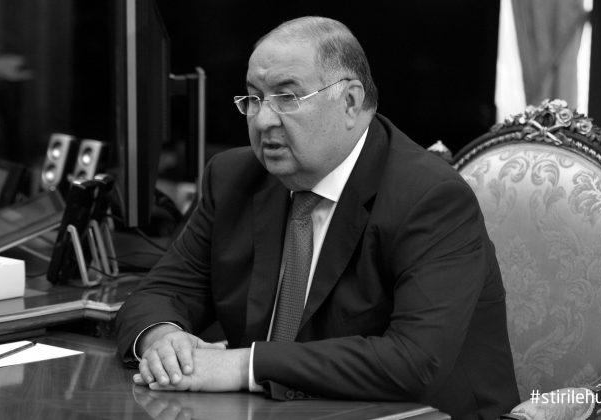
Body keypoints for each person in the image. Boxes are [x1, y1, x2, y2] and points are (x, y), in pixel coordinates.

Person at [115, 16, 519, 419]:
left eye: (287, 98)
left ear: (350, 102)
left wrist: (244, 366)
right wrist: (163, 340)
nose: (263, 120)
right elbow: (156, 294)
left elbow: (414, 361)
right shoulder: (234, 178)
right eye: (253, 99)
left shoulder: (430, 198)